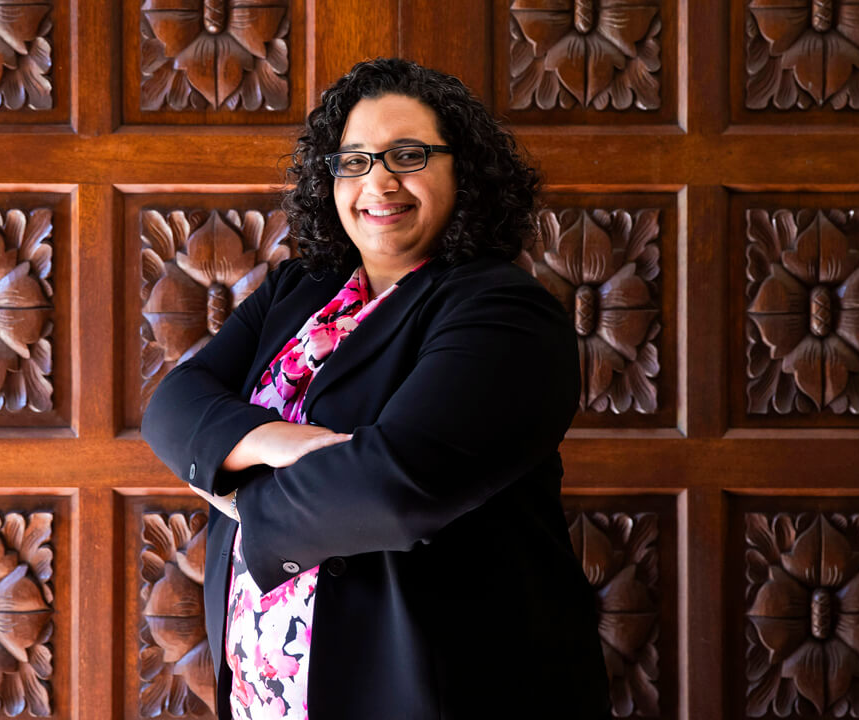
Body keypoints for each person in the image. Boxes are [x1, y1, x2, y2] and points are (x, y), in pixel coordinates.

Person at [143, 58, 611, 720]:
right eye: (354, 161)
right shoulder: (299, 290)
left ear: (464, 171)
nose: (379, 181)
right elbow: (174, 403)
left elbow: (394, 488)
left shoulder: (505, 314)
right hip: (269, 695)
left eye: (408, 155)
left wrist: (235, 492)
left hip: (437, 689)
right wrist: (269, 440)